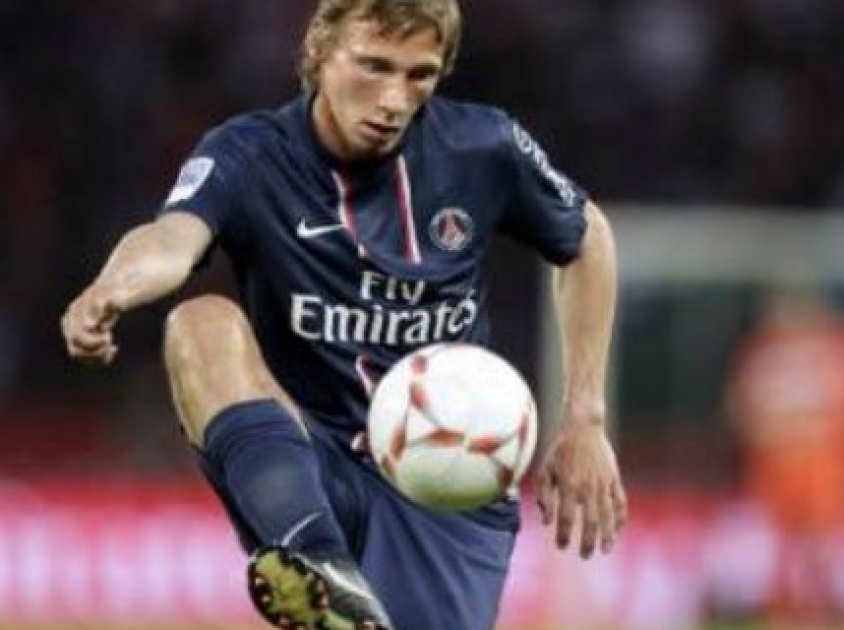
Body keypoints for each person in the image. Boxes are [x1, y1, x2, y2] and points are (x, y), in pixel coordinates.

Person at [60, 1, 627, 628]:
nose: (394, 99)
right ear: (320, 51)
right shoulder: (249, 155)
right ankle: (321, 569)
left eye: (419, 74)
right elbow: (172, 238)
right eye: (374, 66)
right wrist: (112, 288)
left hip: (443, 478)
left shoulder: (483, 147)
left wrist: (585, 418)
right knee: (200, 323)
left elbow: (588, 238)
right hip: (307, 461)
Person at [724, 287, 844, 625]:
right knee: (784, 566)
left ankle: (831, 615)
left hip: (832, 478)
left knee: (830, 562)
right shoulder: (763, 351)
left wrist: (806, 431)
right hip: (776, 481)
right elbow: (739, 410)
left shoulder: (842, 349)